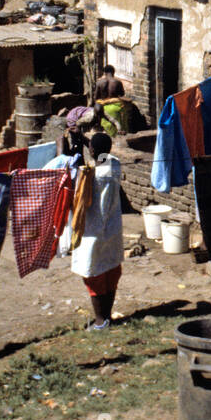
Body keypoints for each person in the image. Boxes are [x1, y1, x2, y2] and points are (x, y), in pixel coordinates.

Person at [72, 131, 124, 330]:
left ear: (92, 150)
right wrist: (85, 140)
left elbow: (79, 174)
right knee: (110, 270)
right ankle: (107, 316)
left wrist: (75, 147)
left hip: (93, 231)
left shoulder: (89, 177)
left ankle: (100, 320)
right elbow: (101, 153)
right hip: (112, 228)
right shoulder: (115, 164)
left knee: (93, 274)